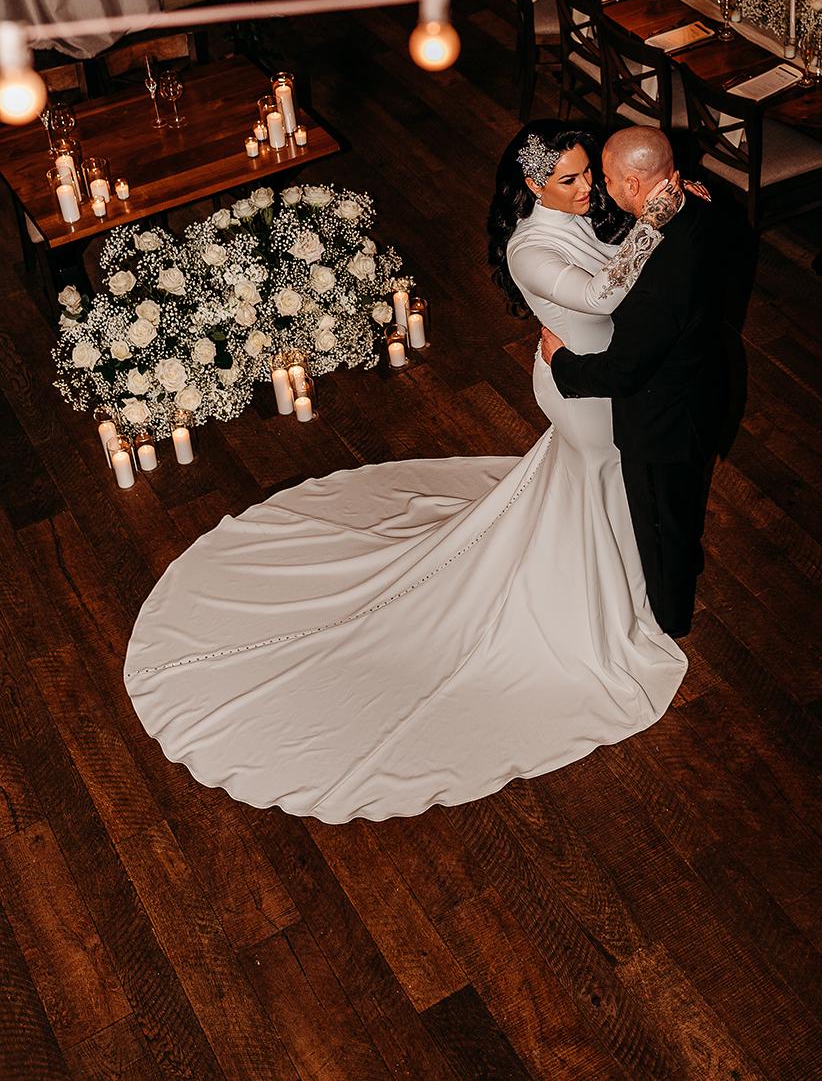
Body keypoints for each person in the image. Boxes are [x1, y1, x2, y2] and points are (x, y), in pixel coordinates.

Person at [123, 121, 688, 823]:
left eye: (588, 175)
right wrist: (655, 221)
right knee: (599, 475)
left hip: (599, 379)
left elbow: (615, 270)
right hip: (578, 393)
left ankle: (612, 577)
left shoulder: (574, 218)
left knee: (596, 484)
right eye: (569, 179)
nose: (587, 188)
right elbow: (602, 295)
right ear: (534, 185)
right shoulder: (530, 248)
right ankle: (603, 605)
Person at [541, 127, 725, 639]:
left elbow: (625, 370)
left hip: (663, 420)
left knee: (660, 524)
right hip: (705, 388)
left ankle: (670, 618)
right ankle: (684, 557)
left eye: (605, 177)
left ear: (633, 184)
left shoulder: (658, 279)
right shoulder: (699, 204)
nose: (599, 185)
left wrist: (562, 364)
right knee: (683, 503)